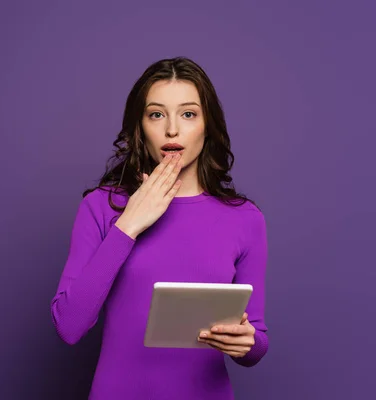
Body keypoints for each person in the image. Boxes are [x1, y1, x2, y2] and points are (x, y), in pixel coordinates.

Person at [50, 57, 268, 399]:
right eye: (156, 114)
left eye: (188, 114)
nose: (171, 130)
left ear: (208, 125)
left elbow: (255, 338)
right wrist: (129, 224)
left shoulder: (245, 218)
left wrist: (247, 344)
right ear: (140, 126)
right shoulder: (101, 207)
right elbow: (69, 325)